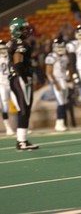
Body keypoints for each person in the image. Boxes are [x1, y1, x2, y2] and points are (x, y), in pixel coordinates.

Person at [7, 18, 38, 150]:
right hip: (20, 78)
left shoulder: (15, 42)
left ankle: (22, 140)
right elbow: (18, 60)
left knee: (25, 109)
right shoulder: (19, 43)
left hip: (18, 78)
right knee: (24, 109)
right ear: (16, 30)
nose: (26, 31)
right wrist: (24, 77)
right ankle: (21, 142)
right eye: (23, 29)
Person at [45, 37, 69, 132]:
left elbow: (66, 69)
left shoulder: (64, 57)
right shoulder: (51, 57)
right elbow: (48, 72)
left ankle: (62, 123)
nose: (60, 48)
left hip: (63, 80)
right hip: (57, 80)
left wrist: (68, 75)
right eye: (59, 47)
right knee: (61, 103)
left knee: (64, 102)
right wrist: (55, 83)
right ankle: (59, 123)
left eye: (62, 47)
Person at [0, 40, 14, 135]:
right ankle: (8, 127)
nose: (3, 50)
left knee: (18, 103)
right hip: (1, 84)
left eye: (4, 48)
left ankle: (24, 125)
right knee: (4, 105)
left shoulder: (11, 57)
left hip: (12, 83)